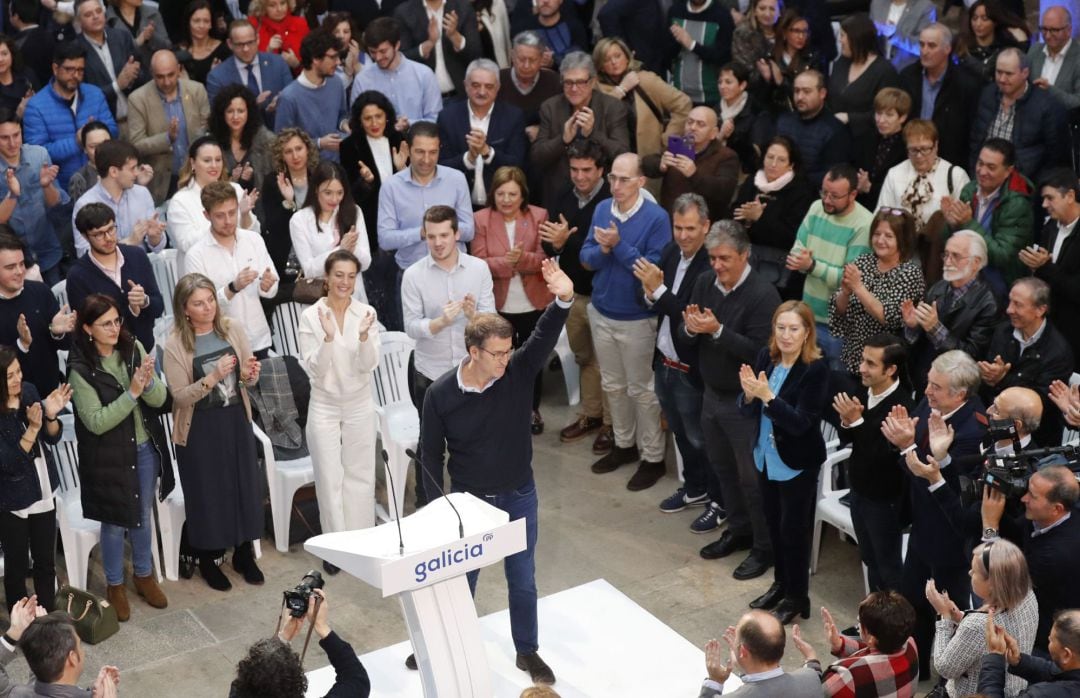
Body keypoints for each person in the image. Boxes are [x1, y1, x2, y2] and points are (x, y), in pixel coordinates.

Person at [420, 257, 573, 686]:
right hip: (468, 504)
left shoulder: (518, 372)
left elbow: (545, 335)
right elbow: (430, 456)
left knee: (522, 579)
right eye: (498, 354)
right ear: (473, 351)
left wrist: (563, 297)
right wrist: (437, 511)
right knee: (459, 581)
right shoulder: (441, 394)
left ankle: (527, 650)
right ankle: (444, 644)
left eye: (509, 351)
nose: (507, 360)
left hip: (519, 494)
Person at [882, 349, 988, 678]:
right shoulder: (932, 402)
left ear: (960, 393)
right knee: (913, 604)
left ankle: (947, 679)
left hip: (949, 540)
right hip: (921, 528)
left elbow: (950, 486)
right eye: (928, 383)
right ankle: (916, 670)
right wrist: (903, 444)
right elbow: (908, 451)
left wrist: (907, 448)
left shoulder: (973, 430)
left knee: (947, 613)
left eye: (936, 387)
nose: (927, 391)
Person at [684, 221, 780, 578]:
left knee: (750, 480)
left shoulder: (763, 294)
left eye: (725, 258)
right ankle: (738, 531)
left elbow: (761, 353)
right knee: (722, 470)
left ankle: (764, 547)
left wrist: (719, 332)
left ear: (745, 255)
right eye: (712, 258)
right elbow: (689, 328)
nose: (717, 265)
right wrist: (691, 329)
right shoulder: (705, 283)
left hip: (745, 402)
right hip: (711, 393)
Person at [68, 293, 170, 621]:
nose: (114, 328)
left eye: (117, 320)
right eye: (105, 323)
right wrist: (133, 393)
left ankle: (143, 574)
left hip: (143, 447)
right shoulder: (80, 368)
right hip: (108, 456)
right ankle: (114, 584)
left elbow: (159, 399)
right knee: (113, 520)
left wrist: (148, 382)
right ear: (87, 328)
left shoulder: (133, 347)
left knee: (141, 513)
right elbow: (96, 422)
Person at [162, 272, 265, 591]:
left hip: (235, 418)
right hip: (200, 429)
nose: (207, 308)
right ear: (185, 308)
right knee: (207, 493)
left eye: (210, 301)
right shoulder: (175, 344)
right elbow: (178, 396)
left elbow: (247, 383)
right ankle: (208, 558)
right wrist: (214, 376)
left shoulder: (231, 328)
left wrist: (250, 375)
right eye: (198, 303)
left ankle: (244, 553)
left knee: (243, 486)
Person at [580, 153, 669, 489]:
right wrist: (602, 251)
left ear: (641, 182)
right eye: (613, 178)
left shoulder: (657, 219)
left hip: (637, 319)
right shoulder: (603, 209)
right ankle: (624, 445)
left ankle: (653, 458)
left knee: (643, 392)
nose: (616, 186)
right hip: (602, 310)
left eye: (624, 179)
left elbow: (650, 272)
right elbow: (585, 257)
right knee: (613, 387)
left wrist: (617, 246)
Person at [738, 300, 829, 624]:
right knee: (774, 525)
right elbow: (748, 408)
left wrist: (767, 397)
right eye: (781, 328)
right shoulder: (767, 357)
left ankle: (797, 597)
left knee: (794, 531)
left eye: (794, 329)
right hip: (765, 455)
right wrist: (749, 395)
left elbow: (802, 423)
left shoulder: (816, 369)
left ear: (807, 333)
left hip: (796, 463)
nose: (786, 335)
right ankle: (780, 583)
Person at [402, 204, 494, 507]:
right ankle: (428, 507)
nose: (438, 242)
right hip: (429, 372)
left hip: (471, 372)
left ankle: (470, 504)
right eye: (431, 236)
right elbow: (411, 326)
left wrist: (473, 316)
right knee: (429, 447)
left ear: (457, 234)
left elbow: (491, 320)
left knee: (473, 443)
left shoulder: (478, 269)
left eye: (444, 235)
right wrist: (440, 322)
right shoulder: (413, 275)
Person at [297, 251, 379, 569]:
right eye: (339, 275)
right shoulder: (311, 316)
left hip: (360, 403)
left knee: (360, 473)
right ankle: (334, 546)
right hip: (325, 405)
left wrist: (362, 337)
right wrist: (329, 339)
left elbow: (369, 364)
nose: (345, 282)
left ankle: (360, 542)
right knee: (329, 476)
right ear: (327, 278)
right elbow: (314, 369)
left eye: (351, 276)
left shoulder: (366, 312)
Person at [642, 194, 716, 519]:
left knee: (702, 440)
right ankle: (695, 488)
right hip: (665, 361)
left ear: (706, 226)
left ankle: (719, 500)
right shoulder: (671, 252)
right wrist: (650, 294)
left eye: (690, 228)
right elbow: (660, 300)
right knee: (680, 433)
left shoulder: (711, 264)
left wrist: (657, 291)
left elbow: (689, 314)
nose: (682, 235)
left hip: (690, 367)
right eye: (677, 227)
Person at [541, 139, 612, 453]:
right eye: (574, 169)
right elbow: (549, 242)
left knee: (608, 364)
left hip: (605, 296)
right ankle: (592, 415)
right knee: (585, 359)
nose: (580, 176)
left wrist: (567, 242)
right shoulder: (561, 195)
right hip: (574, 295)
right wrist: (557, 244)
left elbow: (600, 249)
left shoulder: (611, 201)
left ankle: (612, 425)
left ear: (601, 170)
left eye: (587, 170)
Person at [473, 166, 551, 434]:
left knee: (532, 360)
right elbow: (479, 262)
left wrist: (524, 260)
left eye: (512, 194)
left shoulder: (539, 216)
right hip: (498, 304)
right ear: (493, 194)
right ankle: (499, 408)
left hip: (533, 302)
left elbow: (544, 259)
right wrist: (509, 263)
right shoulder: (481, 219)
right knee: (496, 358)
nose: (506, 199)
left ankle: (531, 408)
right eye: (501, 193)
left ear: (522, 195)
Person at [833, 335, 913, 593]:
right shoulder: (862, 389)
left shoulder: (901, 407)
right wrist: (848, 422)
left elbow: (882, 454)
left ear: (890, 370)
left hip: (884, 499)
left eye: (870, 363)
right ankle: (875, 615)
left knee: (888, 566)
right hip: (858, 490)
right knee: (868, 557)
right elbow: (848, 439)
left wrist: (856, 421)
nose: (862, 368)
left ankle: (893, 623)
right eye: (862, 360)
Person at [378, 120, 474, 333]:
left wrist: (444, 232)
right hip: (411, 276)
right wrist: (422, 233)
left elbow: (469, 230)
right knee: (415, 341)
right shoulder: (391, 187)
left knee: (461, 337)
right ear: (408, 149)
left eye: (433, 152)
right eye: (420, 152)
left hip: (455, 274)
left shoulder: (456, 179)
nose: (427, 159)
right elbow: (385, 238)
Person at [981, 463, 1080, 652]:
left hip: (1045, 642)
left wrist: (990, 524)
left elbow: (999, 582)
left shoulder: (1054, 556)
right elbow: (1019, 531)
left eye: (1033, 496)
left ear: (1056, 509)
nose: (1024, 498)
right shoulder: (1053, 517)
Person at [785, 164, 873, 370]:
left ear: (853, 195)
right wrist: (801, 262)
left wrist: (812, 266)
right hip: (807, 316)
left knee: (832, 386)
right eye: (824, 192)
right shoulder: (816, 208)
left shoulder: (864, 224)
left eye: (834, 196)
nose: (827, 200)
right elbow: (797, 249)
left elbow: (850, 280)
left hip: (837, 326)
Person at [0, 347, 66, 614]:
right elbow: (8, 463)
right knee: (16, 567)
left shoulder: (28, 390)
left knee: (45, 562)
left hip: (42, 485)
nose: (17, 379)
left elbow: (52, 438)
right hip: (12, 496)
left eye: (18, 371)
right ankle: (22, 625)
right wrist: (33, 429)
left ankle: (48, 619)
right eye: (9, 376)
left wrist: (50, 416)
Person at [928, 539, 1039, 697]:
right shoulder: (1027, 595)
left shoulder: (976, 626)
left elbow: (945, 668)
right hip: (1016, 686)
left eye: (975, 571)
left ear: (993, 583)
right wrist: (959, 616)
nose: (969, 573)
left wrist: (943, 617)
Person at [185, 181, 278, 358]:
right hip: (222, 345)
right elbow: (198, 308)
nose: (228, 221)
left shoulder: (254, 239)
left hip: (259, 339)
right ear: (206, 215)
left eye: (232, 213)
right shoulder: (195, 255)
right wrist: (232, 287)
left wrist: (267, 286)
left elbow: (272, 286)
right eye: (220, 216)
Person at [828, 208, 925, 376]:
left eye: (888, 236)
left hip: (882, 368)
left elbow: (889, 318)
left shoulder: (910, 273)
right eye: (877, 234)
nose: (880, 240)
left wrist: (858, 288)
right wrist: (845, 293)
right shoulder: (863, 261)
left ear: (902, 240)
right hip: (851, 357)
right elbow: (839, 311)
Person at [339, 90, 407, 326]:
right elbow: (348, 196)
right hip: (372, 227)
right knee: (382, 292)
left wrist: (401, 171)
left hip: (404, 225)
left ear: (387, 116)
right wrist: (365, 183)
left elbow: (412, 185)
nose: (374, 123)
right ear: (359, 121)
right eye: (368, 118)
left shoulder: (400, 140)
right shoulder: (349, 147)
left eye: (379, 116)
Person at [979, 277, 1074, 446]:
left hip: (1035, 440)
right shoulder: (1003, 332)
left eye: (1018, 304)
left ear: (1040, 310)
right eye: (1010, 302)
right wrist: (988, 376)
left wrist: (1003, 380)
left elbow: (1040, 403)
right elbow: (988, 380)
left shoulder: (1058, 352)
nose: (1009, 310)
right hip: (995, 425)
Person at [877, 119, 971, 284]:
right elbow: (881, 214)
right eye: (914, 150)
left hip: (937, 255)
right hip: (901, 252)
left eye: (925, 149)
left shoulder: (955, 175)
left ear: (936, 146)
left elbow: (967, 223)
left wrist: (951, 218)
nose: (919, 156)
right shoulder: (895, 173)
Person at [903, 230, 999, 392]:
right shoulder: (938, 287)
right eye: (946, 255)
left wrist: (935, 328)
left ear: (976, 262)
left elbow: (971, 356)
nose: (948, 261)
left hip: (955, 388)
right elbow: (918, 344)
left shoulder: (988, 302)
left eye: (956, 256)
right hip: (924, 377)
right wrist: (913, 326)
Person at [531, 51, 630, 209]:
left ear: (592, 82)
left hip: (603, 195)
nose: (574, 88)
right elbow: (537, 157)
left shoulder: (612, 107)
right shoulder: (550, 107)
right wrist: (563, 140)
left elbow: (623, 155)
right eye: (568, 82)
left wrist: (593, 134)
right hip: (560, 193)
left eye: (580, 82)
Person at [230, 588, 371, 697]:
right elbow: (357, 680)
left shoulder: (237, 692)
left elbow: (239, 687)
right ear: (297, 684)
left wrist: (283, 637)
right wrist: (321, 626)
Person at [942, 138, 1034, 300]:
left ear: (1008, 171)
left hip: (999, 285)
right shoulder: (970, 189)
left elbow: (1002, 255)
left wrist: (967, 223)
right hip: (964, 275)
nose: (982, 171)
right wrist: (951, 224)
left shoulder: (1017, 204)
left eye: (991, 167)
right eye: (980, 163)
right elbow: (950, 243)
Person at [68, 203, 164, 353]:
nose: (108, 238)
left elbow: (158, 307)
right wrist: (131, 310)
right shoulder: (78, 276)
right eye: (99, 234)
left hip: (146, 350)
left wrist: (144, 301)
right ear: (85, 236)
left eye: (111, 229)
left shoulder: (136, 256)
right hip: (111, 359)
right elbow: (87, 329)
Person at [22, 41, 117, 192]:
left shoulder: (95, 94)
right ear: (55, 68)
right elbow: (37, 155)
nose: (75, 75)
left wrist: (97, 133)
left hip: (100, 184)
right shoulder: (36, 106)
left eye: (80, 70)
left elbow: (112, 130)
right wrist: (77, 142)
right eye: (69, 69)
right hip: (60, 190)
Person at [436, 58, 527, 208]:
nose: (482, 92)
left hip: (500, 208)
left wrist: (487, 152)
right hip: (458, 206)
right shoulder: (447, 117)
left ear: (498, 88)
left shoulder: (513, 116)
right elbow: (440, 166)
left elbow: (518, 165)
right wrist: (468, 158)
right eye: (476, 85)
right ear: (465, 85)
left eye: (489, 86)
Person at [732, 136, 815, 301]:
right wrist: (747, 220)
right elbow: (734, 214)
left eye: (781, 159)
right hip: (746, 256)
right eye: (770, 157)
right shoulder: (752, 181)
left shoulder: (802, 191)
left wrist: (761, 217)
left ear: (791, 164)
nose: (773, 164)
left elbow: (793, 235)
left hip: (777, 265)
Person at [791, 593, 919, 698]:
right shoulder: (910, 643)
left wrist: (811, 661)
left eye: (860, 623)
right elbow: (875, 653)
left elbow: (815, 693)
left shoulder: (844, 676)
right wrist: (840, 644)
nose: (858, 627)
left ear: (871, 638)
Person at [127, 49, 212, 204]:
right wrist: (167, 138)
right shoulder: (137, 99)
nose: (166, 82)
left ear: (179, 69)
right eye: (160, 76)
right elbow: (136, 144)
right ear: (152, 73)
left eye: (171, 75)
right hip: (162, 180)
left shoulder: (196, 90)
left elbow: (207, 130)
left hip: (197, 175)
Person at [970, 48, 1066, 182]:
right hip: (983, 176)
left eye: (1009, 74)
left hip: (1021, 184)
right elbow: (975, 139)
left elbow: (1055, 156)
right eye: (999, 72)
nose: (1002, 79)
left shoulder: (1045, 105)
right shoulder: (987, 94)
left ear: (1025, 73)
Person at [168, 136, 261, 275]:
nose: (214, 165)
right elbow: (185, 243)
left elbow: (254, 234)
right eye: (207, 160)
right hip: (201, 278)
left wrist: (245, 215)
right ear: (192, 163)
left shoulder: (235, 189)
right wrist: (219, 223)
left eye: (218, 160)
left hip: (241, 271)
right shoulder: (180, 201)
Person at [0, 109, 69, 287]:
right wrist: (13, 194)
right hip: (14, 261)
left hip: (48, 248)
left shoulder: (39, 155)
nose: (12, 143)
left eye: (16, 135)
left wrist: (47, 186)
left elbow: (56, 202)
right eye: (4, 138)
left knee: (59, 302)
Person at [594, 36, 691, 162]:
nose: (614, 62)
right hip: (613, 160)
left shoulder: (646, 80)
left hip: (650, 159)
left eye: (618, 56)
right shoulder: (596, 88)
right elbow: (597, 119)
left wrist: (667, 140)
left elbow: (683, 104)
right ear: (600, 66)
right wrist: (622, 89)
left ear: (627, 57)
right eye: (607, 59)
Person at [899, 24, 982, 170]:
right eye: (922, 44)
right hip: (910, 158)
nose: (924, 51)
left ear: (947, 49)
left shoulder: (965, 84)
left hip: (949, 162)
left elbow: (972, 132)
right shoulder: (907, 77)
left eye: (931, 46)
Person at [0, 234, 74, 396]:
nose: (20, 272)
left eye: (21, 264)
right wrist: (21, 345)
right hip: (10, 403)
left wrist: (58, 333)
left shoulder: (40, 291)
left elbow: (65, 345)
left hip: (53, 392)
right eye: (10, 267)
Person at [72, 139, 166, 259]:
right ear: (114, 172)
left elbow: (158, 248)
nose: (136, 173)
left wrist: (154, 237)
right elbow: (84, 254)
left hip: (139, 266)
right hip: (105, 274)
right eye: (132, 168)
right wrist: (129, 242)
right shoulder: (84, 205)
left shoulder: (142, 193)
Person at [641, 105, 739, 219]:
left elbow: (724, 192)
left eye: (700, 124)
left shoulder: (726, 156)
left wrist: (694, 175)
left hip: (704, 224)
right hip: (672, 219)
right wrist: (661, 164)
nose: (692, 127)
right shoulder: (677, 147)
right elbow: (646, 164)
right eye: (689, 122)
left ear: (713, 133)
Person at [698, 610, 823, 698]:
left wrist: (715, 681)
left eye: (737, 637)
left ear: (742, 651)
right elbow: (814, 669)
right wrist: (810, 655)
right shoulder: (811, 678)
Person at [1025, 168, 1080, 363]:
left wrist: (1045, 267)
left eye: (1050, 198)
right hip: (1050, 323)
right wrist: (1034, 266)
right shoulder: (1050, 228)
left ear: (1070, 196)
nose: (1044, 204)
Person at [352, 17, 442, 131]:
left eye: (383, 51)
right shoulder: (362, 80)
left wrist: (409, 123)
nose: (378, 57)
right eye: (373, 52)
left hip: (416, 143)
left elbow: (435, 119)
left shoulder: (424, 74)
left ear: (397, 45)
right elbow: (356, 121)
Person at [290, 161, 371, 286]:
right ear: (316, 189)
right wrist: (341, 250)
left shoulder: (354, 211)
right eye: (328, 193)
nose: (334, 199)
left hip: (354, 295)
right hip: (320, 298)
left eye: (340, 193)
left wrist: (353, 248)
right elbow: (309, 270)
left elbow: (366, 263)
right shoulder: (299, 220)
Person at [275, 29, 349, 163]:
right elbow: (283, 143)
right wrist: (319, 143)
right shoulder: (289, 97)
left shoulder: (337, 83)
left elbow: (341, 114)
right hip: (307, 170)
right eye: (332, 57)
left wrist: (345, 125)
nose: (338, 62)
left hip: (338, 165)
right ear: (315, 59)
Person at [827, 14, 901, 143]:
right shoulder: (841, 62)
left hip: (868, 143)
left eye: (843, 35)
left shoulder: (884, 71)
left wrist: (850, 118)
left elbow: (887, 112)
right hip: (837, 137)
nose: (840, 40)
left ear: (856, 39)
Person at [205, 20, 294, 126]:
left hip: (279, 132)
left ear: (258, 39)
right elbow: (218, 117)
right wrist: (252, 106)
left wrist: (281, 101)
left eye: (250, 42)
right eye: (240, 45)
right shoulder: (217, 76)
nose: (246, 49)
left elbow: (293, 98)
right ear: (229, 44)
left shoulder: (278, 63)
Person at [17, 612, 121, 698]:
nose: (83, 651)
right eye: (79, 644)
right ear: (73, 658)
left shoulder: (18, 693)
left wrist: (92, 694)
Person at [978, 609, 1080, 697]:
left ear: (1066, 654)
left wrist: (995, 655)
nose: (1048, 638)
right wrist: (1019, 661)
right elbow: (1055, 671)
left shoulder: (1041, 694)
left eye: (1051, 640)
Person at [260, 127, 317, 282]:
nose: (295, 156)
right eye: (288, 151)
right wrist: (289, 202)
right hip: (288, 258)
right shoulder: (273, 182)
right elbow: (273, 224)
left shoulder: (320, 176)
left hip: (319, 250)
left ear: (307, 149)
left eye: (299, 149)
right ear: (282, 156)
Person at [774, 70, 850, 185]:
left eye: (806, 91)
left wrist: (793, 178)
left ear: (822, 93)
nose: (800, 97)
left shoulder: (835, 130)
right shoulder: (783, 121)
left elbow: (833, 175)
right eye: (796, 91)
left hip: (812, 194)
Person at [393, 0, 480, 100]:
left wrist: (454, 36)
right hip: (424, 99)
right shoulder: (404, 12)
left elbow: (476, 54)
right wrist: (428, 44)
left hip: (461, 94)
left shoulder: (463, 7)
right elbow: (401, 59)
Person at [665, 0, 735, 106]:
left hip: (712, 95)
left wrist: (692, 44)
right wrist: (677, 42)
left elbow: (723, 57)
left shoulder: (722, 14)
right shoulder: (676, 11)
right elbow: (666, 53)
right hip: (679, 94)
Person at [209, 84, 275, 196]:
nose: (235, 117)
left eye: (240, 111)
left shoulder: (266, 141)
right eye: (230, 111)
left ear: (249, 112)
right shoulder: (208, 142)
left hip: (260, 208)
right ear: (222, 113)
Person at [496, 31, 561, 142]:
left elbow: (562, 120)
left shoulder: (554, 81)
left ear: (541, 59)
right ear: (512, 56)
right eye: (521, 59)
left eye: (532, 60)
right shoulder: (496, 80)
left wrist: (542, 131)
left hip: (542, 145)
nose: (526, 66)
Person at [853, 88, 910, 210]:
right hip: (860, 205)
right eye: (878, 113)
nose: (881, 120)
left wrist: (870, 187)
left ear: (902, 118)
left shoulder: (908, 147)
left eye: (889, 115)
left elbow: (903, 188)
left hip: (891, 210)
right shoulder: (865, 138)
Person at [956, 0, 1031, 83]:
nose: (978, 24)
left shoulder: (1005, 48)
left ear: (995, 22)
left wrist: (1021, 40)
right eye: (974, 18)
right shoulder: (962, 45)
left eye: (984, 19)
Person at [1028, 6, 1080, 109]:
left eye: (1054, 30)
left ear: (1068, 30)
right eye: (1044, 29)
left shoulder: (1077, 57)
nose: (1047, 36)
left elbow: (1078, 102)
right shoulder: (1035, 51)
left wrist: (1050, 91)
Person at [509, 0, 587, 69]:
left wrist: (554, 62)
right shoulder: (522, 29)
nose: (545, 1)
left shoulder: (574, 28)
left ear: (560, 1)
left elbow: (579, 62)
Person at [730, 0, 781, 102]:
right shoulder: (743, 34)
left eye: (772, 9)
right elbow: (743, 69)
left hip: (783, 95)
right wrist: (768, 75)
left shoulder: (786, 34)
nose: (767, 14)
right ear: (754, 11)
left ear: (780, 12)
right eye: (762, 8)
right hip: (753, 96)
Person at [176, 0, 231, 85]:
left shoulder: (223, 51)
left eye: (206, 21)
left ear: (211, 24)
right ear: (188, 22)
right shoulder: (179, 53)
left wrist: (215, 77)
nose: (201, 26)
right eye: (196, 21)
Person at [871, 0, 935, 69]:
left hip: (905, 70)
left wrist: (894, 35)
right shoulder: (877, 2)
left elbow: (924, 49)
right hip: (876, 67)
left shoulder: (925, 7)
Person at [248, 0, 309, 73]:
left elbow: (313, 65)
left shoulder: (301, 24)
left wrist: (297, 65)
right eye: (272, 5)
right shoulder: (254, 28)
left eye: (283, 3)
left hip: (298, 80)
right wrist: (268, 52)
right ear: (263, 8)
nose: (279, 9)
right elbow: (250, 68)